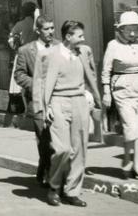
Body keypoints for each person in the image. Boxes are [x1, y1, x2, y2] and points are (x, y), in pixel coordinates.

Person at [42, 20, 101, 207]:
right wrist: (47, 107)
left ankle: (72, 191)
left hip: (79, 102)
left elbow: (91, 75)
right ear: (68, 37)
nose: (83, 39)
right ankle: (53, 186)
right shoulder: (54, 54)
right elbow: (48, 83)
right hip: (59, 102)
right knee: (63, 149)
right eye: (79, 36)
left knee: (80, 149)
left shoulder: (84, 52)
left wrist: (95, 97)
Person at [101, 10, 138, 181]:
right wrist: (106, 92)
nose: (133, 33)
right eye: (129, 29)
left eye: (136, 29)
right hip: (122, 88)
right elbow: (106, 70)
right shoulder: (113, 45)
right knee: (131, 128)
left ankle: (137, 165)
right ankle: (126, 159)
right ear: (121, 30)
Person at [14, 16, 59, 187]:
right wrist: (37, 84)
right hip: (38, 100)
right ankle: (47, 168)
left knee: (57, 140)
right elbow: (19, 75)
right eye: (47, 29)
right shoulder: (26, 50)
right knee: (44, 138)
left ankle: (48, 169)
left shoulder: (59, 47)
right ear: (38, 30)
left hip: (58, 98)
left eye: (52, 28)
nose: (50, 32)